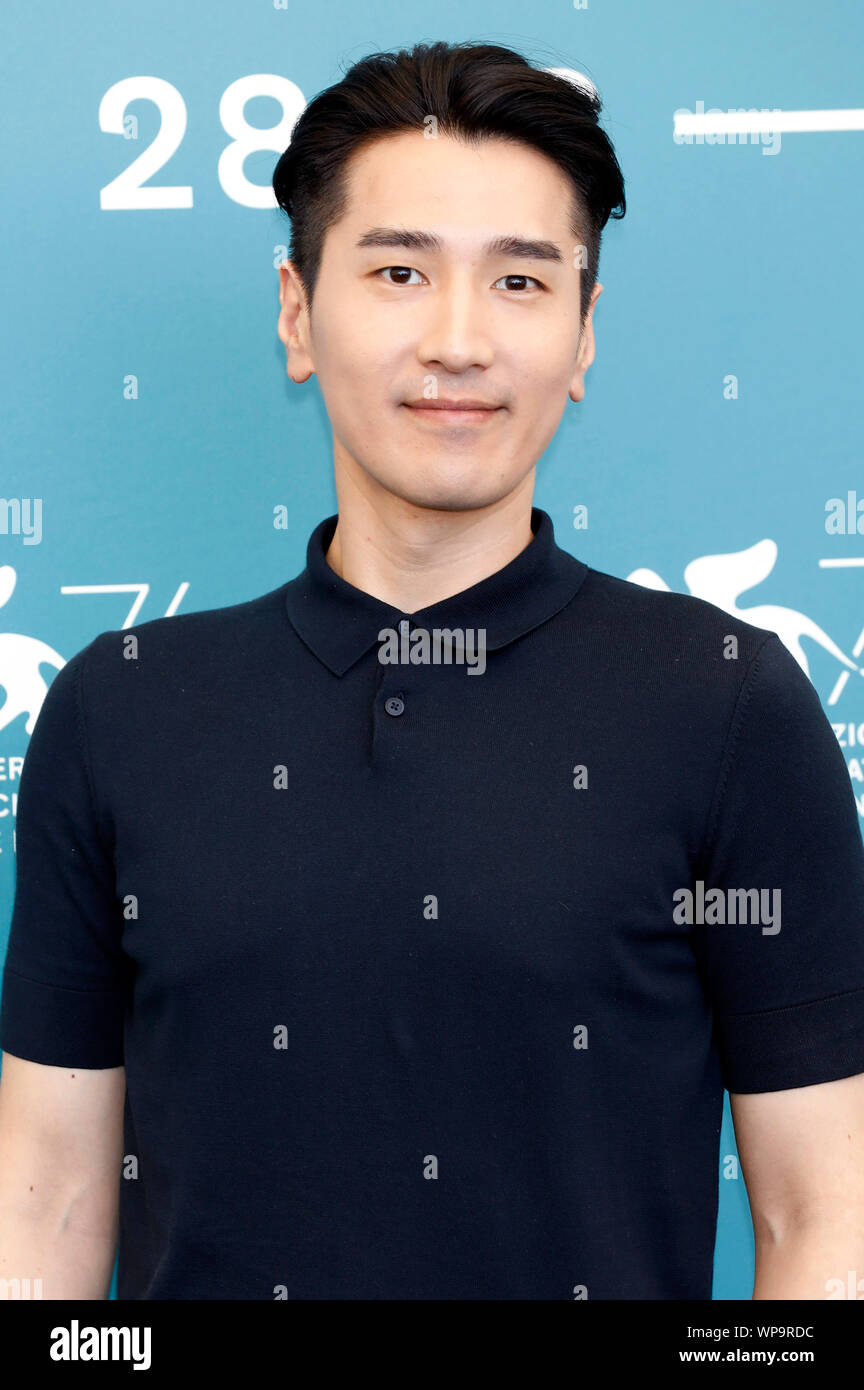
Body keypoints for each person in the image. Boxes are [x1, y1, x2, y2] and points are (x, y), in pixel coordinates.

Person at [1, 39, 863, 1302]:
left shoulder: (728, 704)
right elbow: (49, 1199)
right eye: (399, 271)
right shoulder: (120, 708)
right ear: (297, 314)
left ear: (582, 336)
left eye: (521, 281)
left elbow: (818, 1216)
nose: (458, 341)